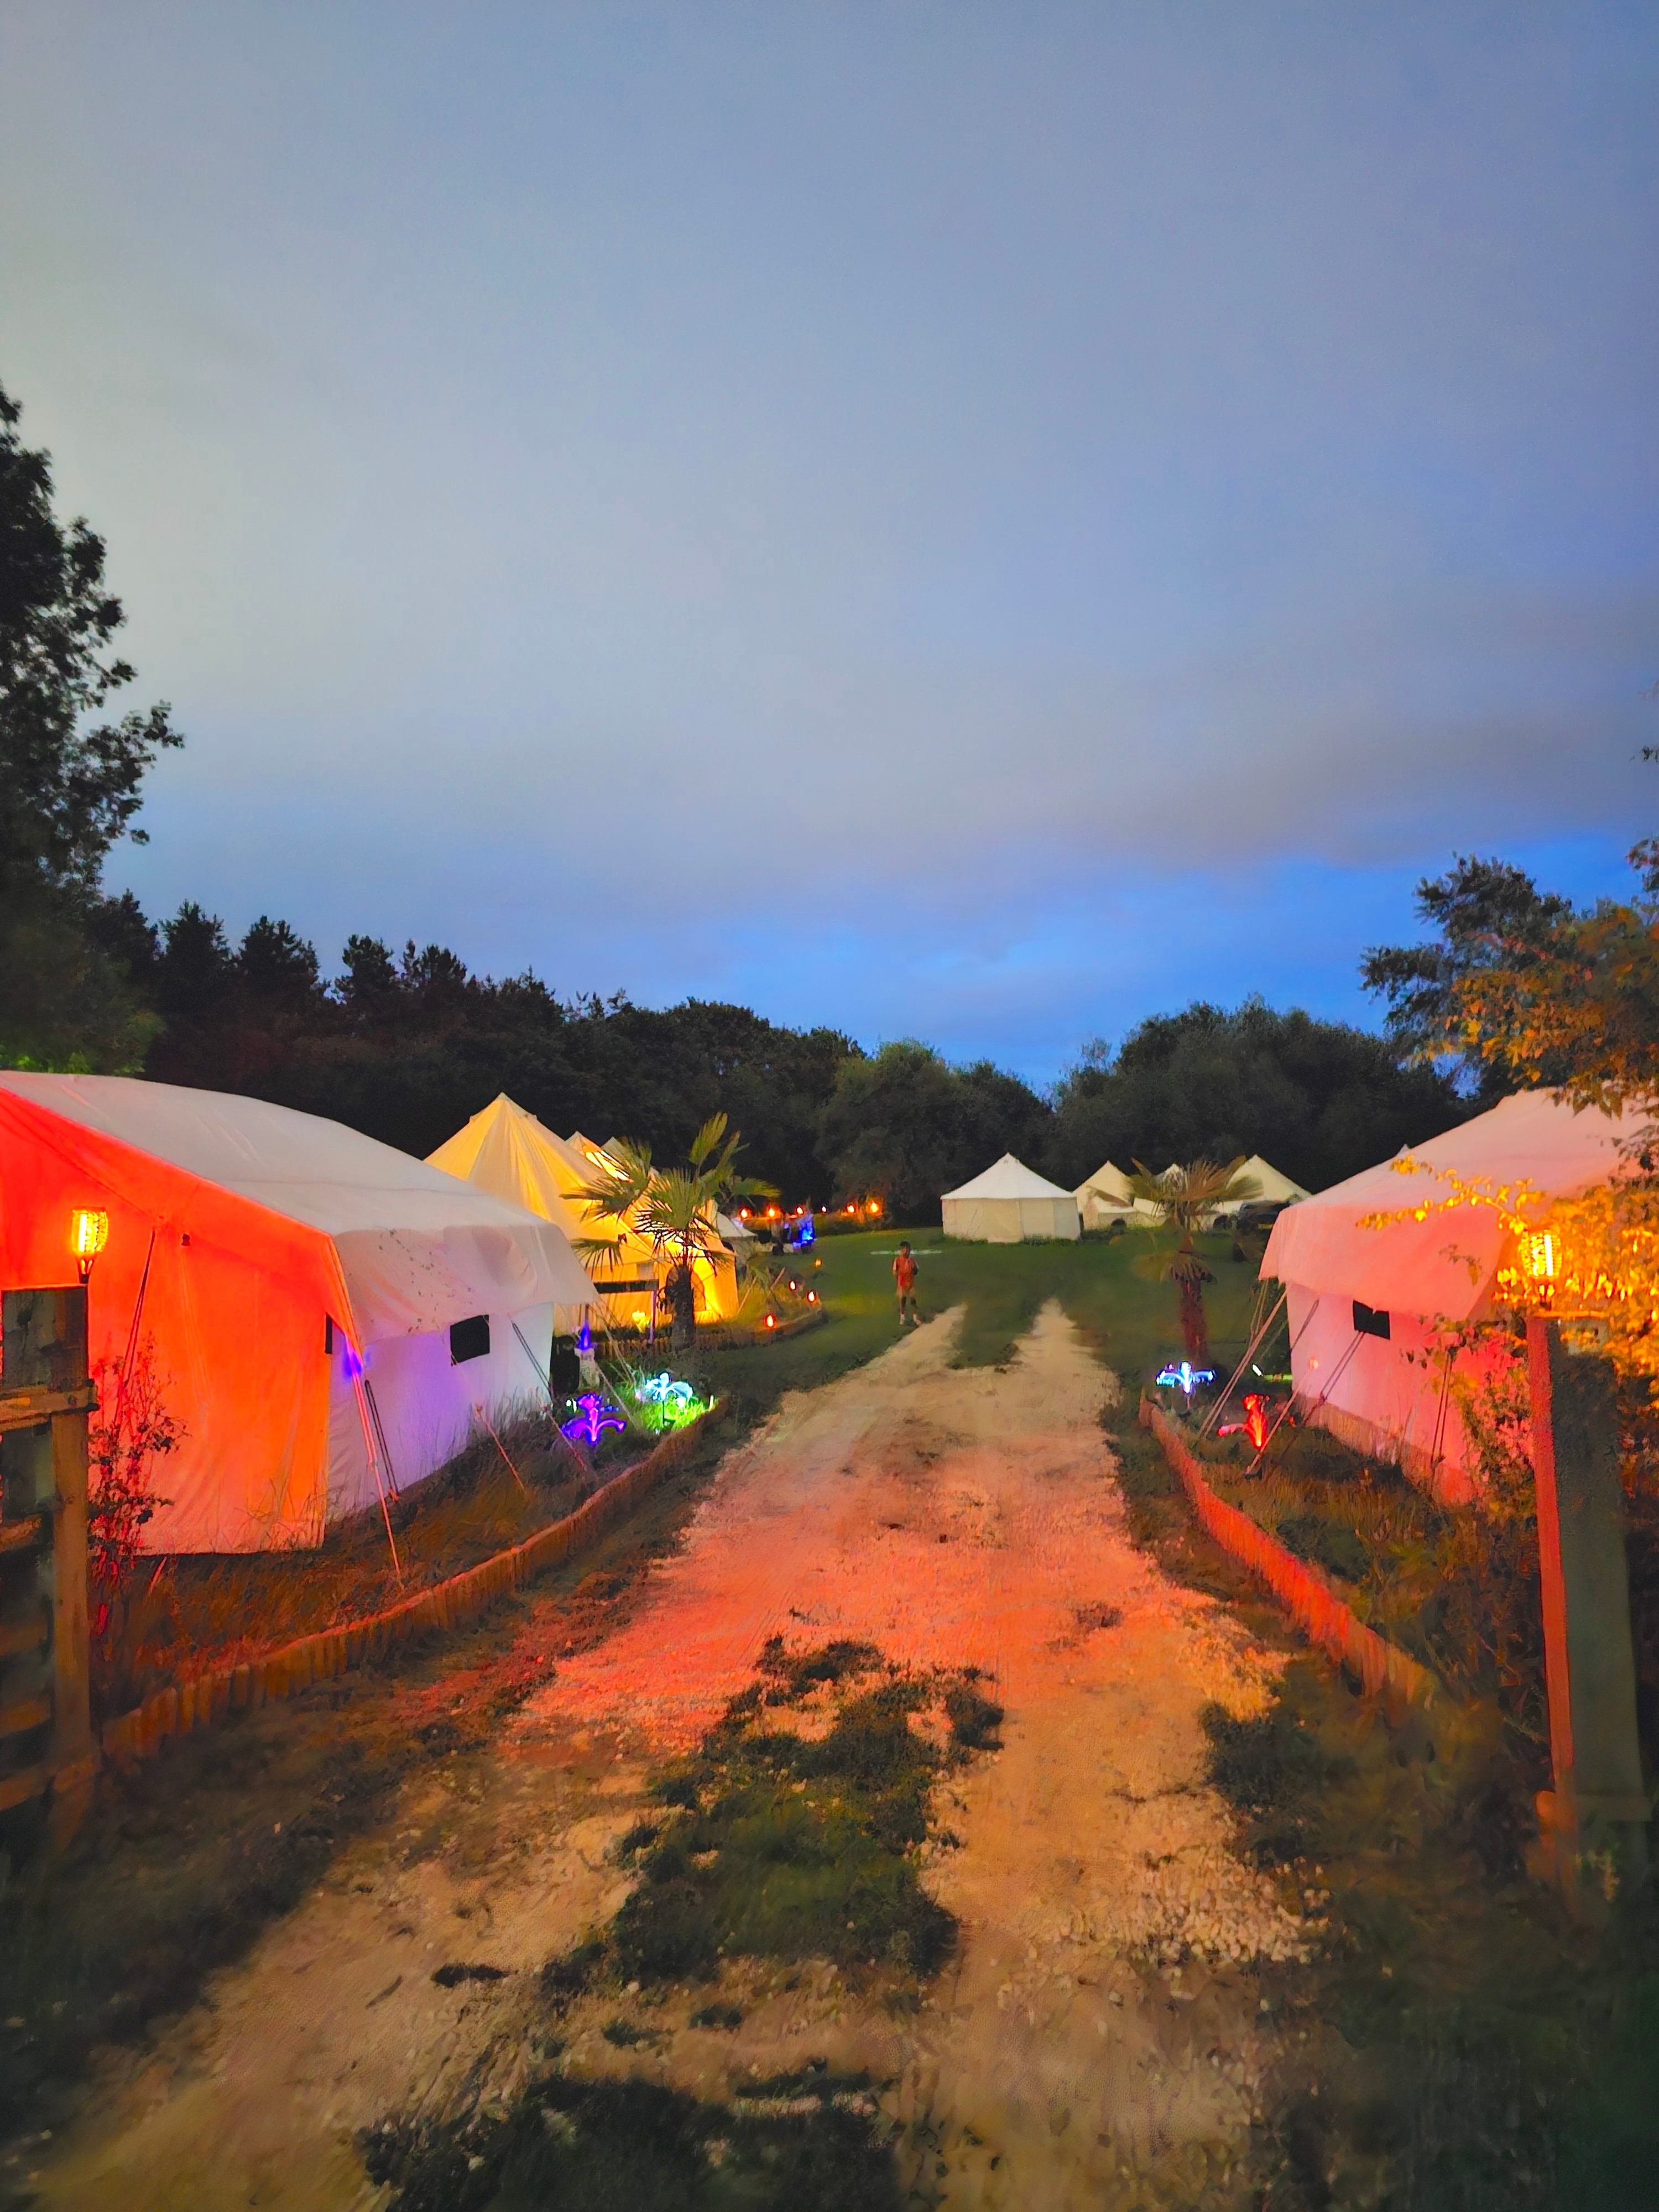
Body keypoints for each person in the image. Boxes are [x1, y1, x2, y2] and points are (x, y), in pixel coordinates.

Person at [893, 1239, 919, 1327]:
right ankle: (902, 1317)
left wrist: (913, 1268)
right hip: (902, 1283)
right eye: (906, 1250)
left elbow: (916, 1272)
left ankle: (915, 1317)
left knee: (913, 1300)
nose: (908, 1252)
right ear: (902, 1250)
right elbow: (895, 1272)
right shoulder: (898, 1260)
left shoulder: (912, 1260)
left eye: (909, 1250)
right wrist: (900, 1275)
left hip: (911, 1283)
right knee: (903, 1300)